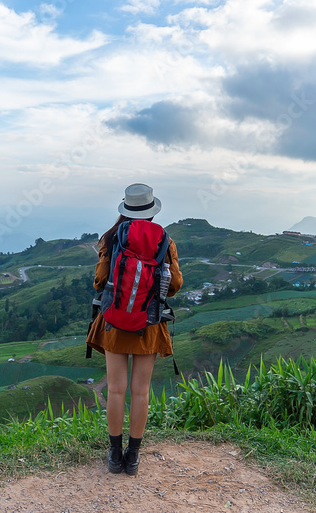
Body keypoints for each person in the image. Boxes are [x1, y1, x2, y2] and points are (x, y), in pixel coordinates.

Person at [86, 183, 183, 476]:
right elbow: (175, 285)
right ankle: (134, 457)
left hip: (115, 321)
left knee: (116, 390)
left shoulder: (112, 237)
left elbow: (100, 281)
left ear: (125, 209)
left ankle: (115, 455)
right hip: (149, 323)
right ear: (152, 211)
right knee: (140, 392)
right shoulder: (164, 240)